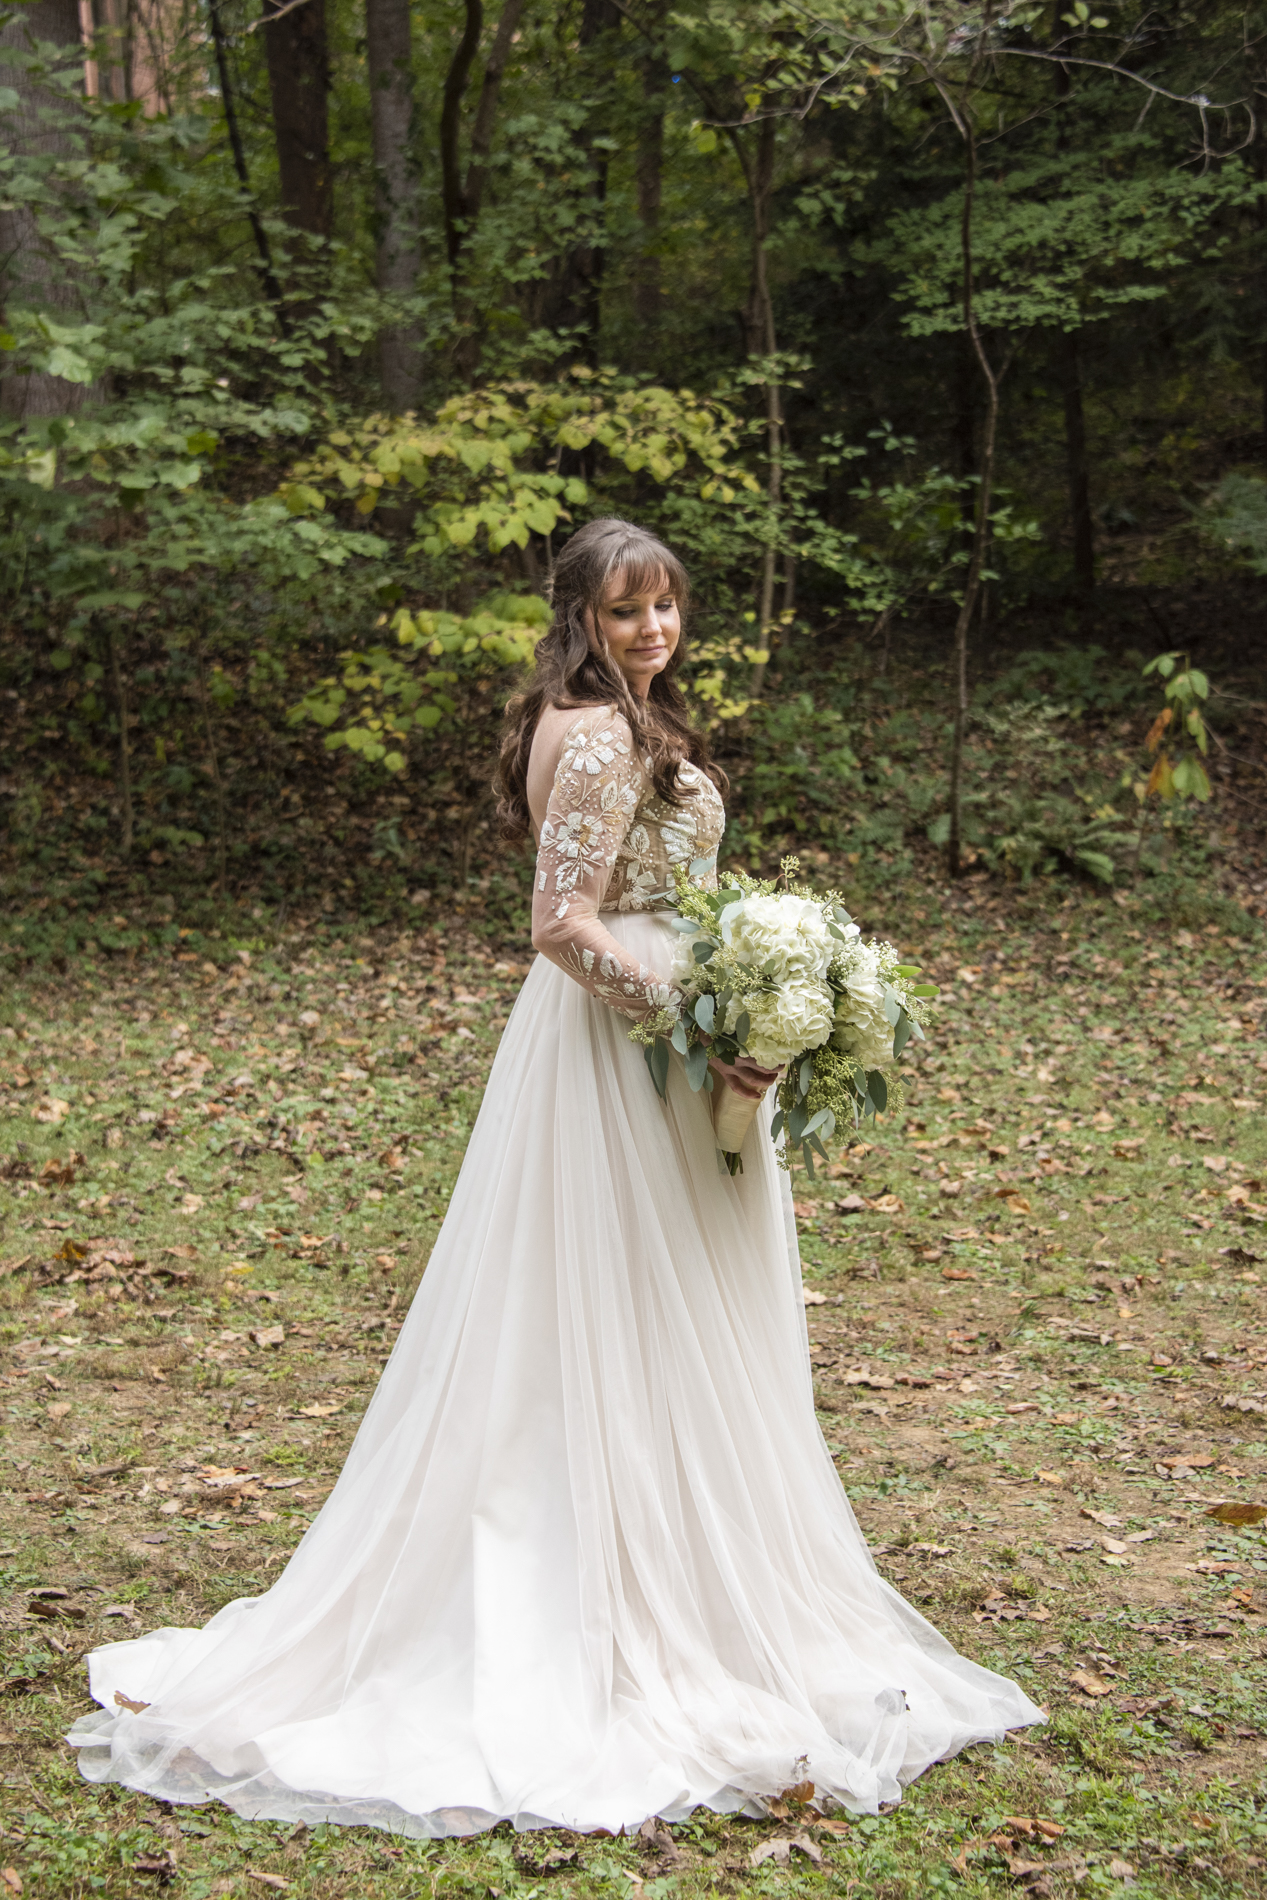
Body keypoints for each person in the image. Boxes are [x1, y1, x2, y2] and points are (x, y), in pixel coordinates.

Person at [68, 516, 1041, 1838]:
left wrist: (759, 982)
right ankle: (601, 1587)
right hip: (616, 1056)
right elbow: (562, 926)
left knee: (671, 1307)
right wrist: (696, 1021)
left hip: (665, 1049)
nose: (651, 631)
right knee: (607, 1304)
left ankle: (687, 1569)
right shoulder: (590, 736)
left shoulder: (634, 722)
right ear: (579, 617)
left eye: (666, 609)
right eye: (625, 612)